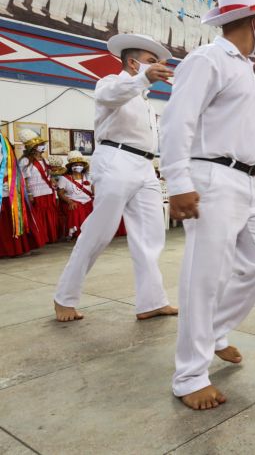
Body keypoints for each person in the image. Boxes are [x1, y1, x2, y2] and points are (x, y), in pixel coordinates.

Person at [161, 0, 255, 411]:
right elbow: (176, 122)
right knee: (205, 277)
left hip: (250, 182)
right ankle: (189, 375)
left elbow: (254, 136)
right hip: (212, 178)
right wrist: (178, 180)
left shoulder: (248, 74)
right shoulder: (207, 60)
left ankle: (216, 332)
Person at [54, 33, 177, 323]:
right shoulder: (110, 83)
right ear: (133, 63)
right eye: (150, 62)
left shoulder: (146, 102)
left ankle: (151, 301)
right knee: (99, 231)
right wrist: (143, 80)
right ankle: (64, 297)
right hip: (116, 160)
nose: (155, 67)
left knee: (151, 234)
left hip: (145, 167)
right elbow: (111, 96)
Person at [0, 133, 41, 257]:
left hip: (10, 190)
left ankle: (16, 248)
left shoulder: (4, 142)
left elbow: (11, 169)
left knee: (14, 220)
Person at [18, 129, 59, 246]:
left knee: (49, 214)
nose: (43, 146)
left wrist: (52, 180)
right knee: (39, 215)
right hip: (36, 193)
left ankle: (51, 236)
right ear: (33, 147)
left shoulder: (44, 160)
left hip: (48, 191)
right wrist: (29, 194)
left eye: (43, 144)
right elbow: (24, 180)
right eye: (40, 145)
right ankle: (41, 238)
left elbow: (48, 174)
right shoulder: (25, 161)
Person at [56, 151, 93, 239]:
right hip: (74, 201)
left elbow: (93, 190)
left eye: (80, 165)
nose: (78, 167)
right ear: (71, 167)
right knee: (76, 208)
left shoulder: (88, 176)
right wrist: (70, 202)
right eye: (75, 165)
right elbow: (60, 193)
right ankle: (76, 233)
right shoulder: (64, 178)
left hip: (88, 201)